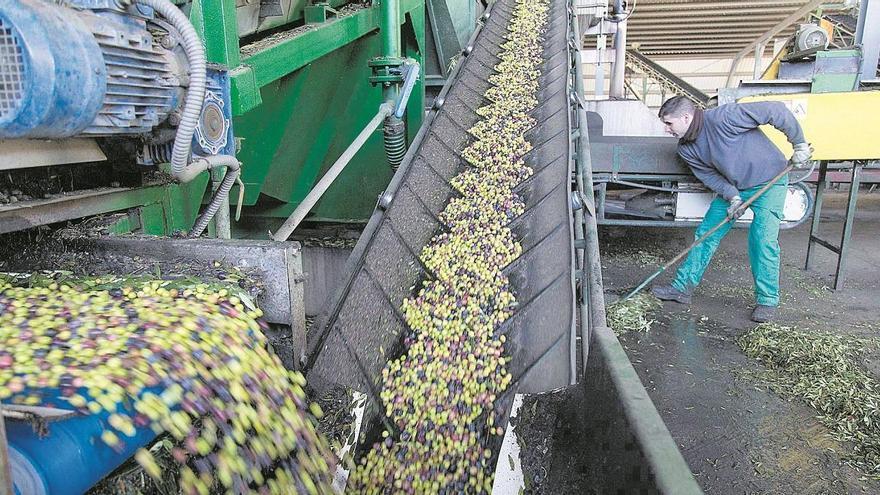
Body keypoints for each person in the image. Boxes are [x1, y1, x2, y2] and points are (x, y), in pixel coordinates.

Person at [651, 96, 812, 323]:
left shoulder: (724, 117)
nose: (667, 130)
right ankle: (682, 288)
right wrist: (733, 196)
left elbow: (776, 110)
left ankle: (767, 300)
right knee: (707, 233)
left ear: (686, 118)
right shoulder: (686, 149)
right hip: (736, 188)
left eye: (669, 124)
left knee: (763, 239)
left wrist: (799, 143)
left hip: (770, 181)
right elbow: (709, 176)